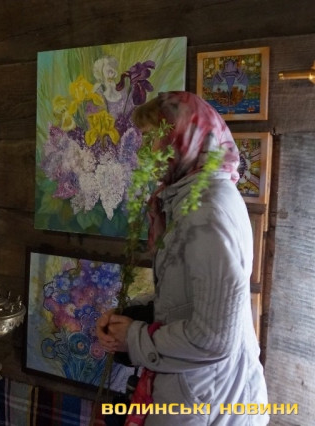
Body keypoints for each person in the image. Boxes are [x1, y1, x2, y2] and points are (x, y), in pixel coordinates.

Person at [96, 91, 269, 425]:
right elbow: (192, 296)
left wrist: (133, 337)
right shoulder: (191, 200)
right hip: (201, 391)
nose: (145, 152)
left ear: (186, 138)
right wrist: (129, 315)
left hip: (208, 399)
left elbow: (213, 339)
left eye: (154, 139)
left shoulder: (207, 213)